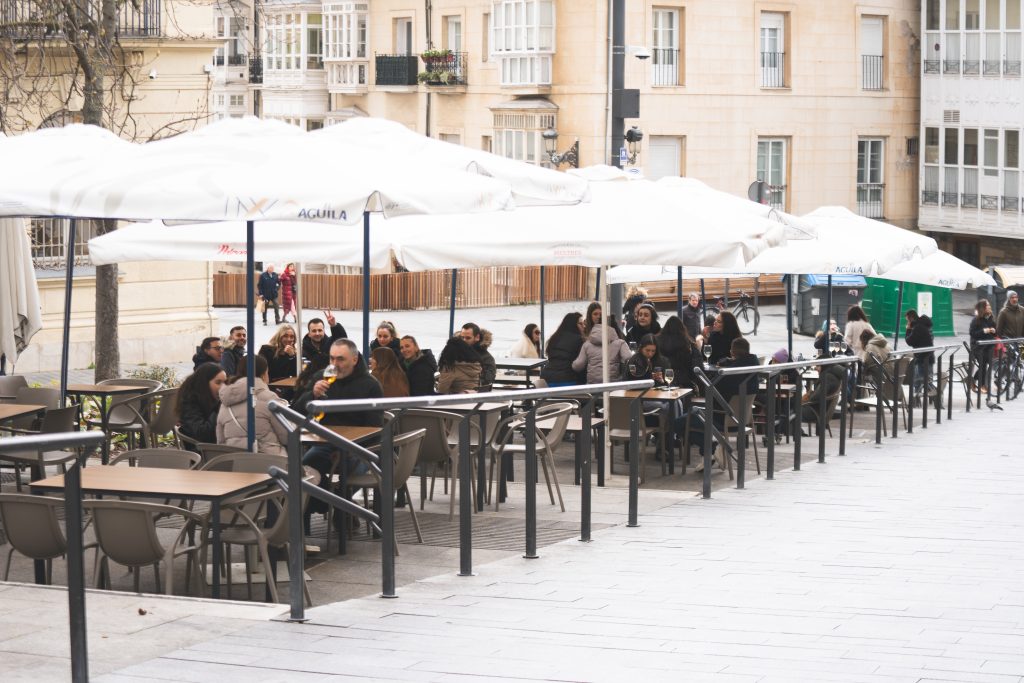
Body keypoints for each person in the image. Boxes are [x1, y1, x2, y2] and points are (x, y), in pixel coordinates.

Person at [293, 339, 383, 514]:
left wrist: (350, 449)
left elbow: (375, 429)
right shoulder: (320, 378)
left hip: (359, 448)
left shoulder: (370, 384)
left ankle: (341, 511)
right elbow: (296, 411)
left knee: (346, 471)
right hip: (324, 444)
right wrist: (312, 395)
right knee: (304, 469)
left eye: (340, 359)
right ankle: (330, 504)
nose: (334, 364)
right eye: (331, 358)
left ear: (354, 360)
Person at [676, 337, 759, 459]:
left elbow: (709, 389)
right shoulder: (752, 371)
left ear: (732, 352)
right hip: (743, 420)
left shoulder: (728, 376)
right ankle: (709, 450)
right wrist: (728, 362)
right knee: (687, 421)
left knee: (677, 423)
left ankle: (711, 446)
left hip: (722, 419)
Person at [216, 354, 289, 455]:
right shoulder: (270, 398)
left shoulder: (225, 402)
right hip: (269, 460)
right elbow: (287, 436)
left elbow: (221, 440)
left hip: (235, 460)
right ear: (264, 374)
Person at [176, 362, 226, 446]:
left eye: (225, 382)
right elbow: (203, 433)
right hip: (200, 450)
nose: (223, 387)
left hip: (217, 445)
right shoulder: (189, 402)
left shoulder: (212, 399)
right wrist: (220, 408)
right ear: (204, 383)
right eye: (218, 382)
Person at [573, 317, 632, 384]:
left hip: (593, 384)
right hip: (613, 384)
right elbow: (628, 357)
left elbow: (578, 366)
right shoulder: (620, 343)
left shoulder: (587, 344)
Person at [539, 312, 585, 386]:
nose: (584, 326)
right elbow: (580, 365)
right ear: (573, 325)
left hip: (546, 378)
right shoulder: (579, 340)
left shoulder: (554, 338)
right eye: (581, 324)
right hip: (567, 379)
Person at [657, 315, 702, 389]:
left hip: (663, 380)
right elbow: (697, 365)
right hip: (684, 382)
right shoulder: (688, 344)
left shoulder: (658, 342)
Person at [970, 299, 997, 393]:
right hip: (979, 347)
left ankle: (974, 380)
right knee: (983, 365)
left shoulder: (990, 318)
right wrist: (984, 331)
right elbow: (973, 333)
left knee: (989, 364)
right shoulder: (976, 320)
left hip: (989, 346)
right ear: (982, 308)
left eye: (989, 305)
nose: (989, 307)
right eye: (987, 305)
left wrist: (994, 331)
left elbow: (995, 331)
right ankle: (982, 385)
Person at [905, 309, 934, 393]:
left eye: (908, 320)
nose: (907, 322)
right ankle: (933, 396)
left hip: (922, 358)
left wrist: (908, 329)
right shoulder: (926, 325)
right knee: (928, 381)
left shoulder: (918, 327)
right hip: (929, 357)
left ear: (911, 318)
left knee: (918, 382)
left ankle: (917, 398)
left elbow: (909, 341)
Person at [461, 323, 496, 389]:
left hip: (473, 392)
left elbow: (487, 380)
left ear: (477, 338)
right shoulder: (456, 352)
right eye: (462, 337)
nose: (464, 341)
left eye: (468, 338)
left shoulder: (487, 358)